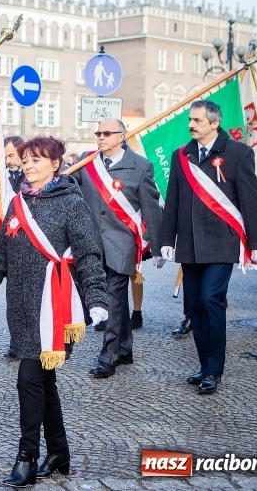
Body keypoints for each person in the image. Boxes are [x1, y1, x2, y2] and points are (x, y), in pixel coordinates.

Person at [0, 136, 108, 488]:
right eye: (26, 160)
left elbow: (88, 254)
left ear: (56, 164)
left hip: (56, 308)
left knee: (28, 379)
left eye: (37, 160)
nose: (28, 166)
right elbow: (1, 252)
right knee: (44, 381)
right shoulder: (18, 203)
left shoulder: (72, 203)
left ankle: (26, 457)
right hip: (22, 308)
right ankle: (59, 452)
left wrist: (97, 299)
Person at [160, 100, 257, 394]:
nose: (191, 125)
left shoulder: (238, 153)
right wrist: (167, 239)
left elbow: (249, 200)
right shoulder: (180, 155)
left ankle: (214, 370)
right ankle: (204, 365)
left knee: (210, 299)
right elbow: (173, 201)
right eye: (190, 120)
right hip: (191, 244)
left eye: (197, 120)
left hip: (222, 241)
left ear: (214, 123)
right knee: (194, 307)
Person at [70, 119, 163, 379]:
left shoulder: (140, 167)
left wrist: (157, 246)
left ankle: (107, 357)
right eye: (98, 133)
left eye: (107, 133)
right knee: (117, 300)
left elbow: (151, 208)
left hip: (122, 243)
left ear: (122, 137)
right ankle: (124, 349)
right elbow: (68, 185)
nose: (101, 137)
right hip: (93, 243)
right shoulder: (87, 162)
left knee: (112, 298)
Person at [3, 136, 24, 359]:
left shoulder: (31, 176)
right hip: (8, 243)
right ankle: (15, 339)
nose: (7, 160)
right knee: (14, 296)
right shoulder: (0, 177)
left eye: (11, 155)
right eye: (5, 156)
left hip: (30, 243)